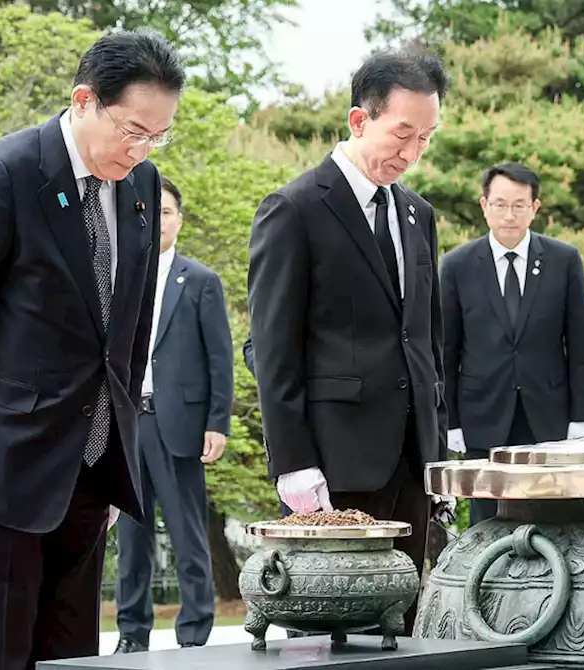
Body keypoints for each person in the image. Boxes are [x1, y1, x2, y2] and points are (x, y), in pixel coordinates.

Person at [0, 30, 184, 669]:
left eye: (157, 136)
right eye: (132, 130)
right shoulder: (5, 173)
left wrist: (121, 455)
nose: (141, 149)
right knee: (0, 651)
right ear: (83, 99)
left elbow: (131, 329)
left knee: (71, 655)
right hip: (3, 464)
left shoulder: (141, 185)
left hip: (91, 464)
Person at [246, 46, 447, 634]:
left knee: (402, 623)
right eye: (402, 134)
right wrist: (293, 464)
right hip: (335, 462)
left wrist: (438, 448)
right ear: (360, 120)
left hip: (411, 457)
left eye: (426, 139)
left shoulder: (418, 214)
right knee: (332, 627)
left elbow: (426, 338)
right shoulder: (294, 209)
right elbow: (274, 350)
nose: (411, 154)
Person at [438, 163, 584, 525]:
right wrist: (451, 422)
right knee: (486, 520)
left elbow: (580, 347)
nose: (509, 215)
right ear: (484, 205)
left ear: (535, 208)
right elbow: (446, 351)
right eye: (500, 204)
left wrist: (583, 417)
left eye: (519, 205)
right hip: (483, 414)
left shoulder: (563, 260)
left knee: (552, 516)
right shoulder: (457, 265)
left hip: (548, 415)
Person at [114, 177, 233, 653]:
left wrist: (217, 423)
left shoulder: (199, 280)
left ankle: (194, 632)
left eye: (166, 212)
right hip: (127, 425)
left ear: (179, 220)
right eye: (149, 211)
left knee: (188, 536)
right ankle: (131, 634)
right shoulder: (119, 275)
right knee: (130, 541)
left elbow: (219, 358)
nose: (158, 220)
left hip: (181, 425)